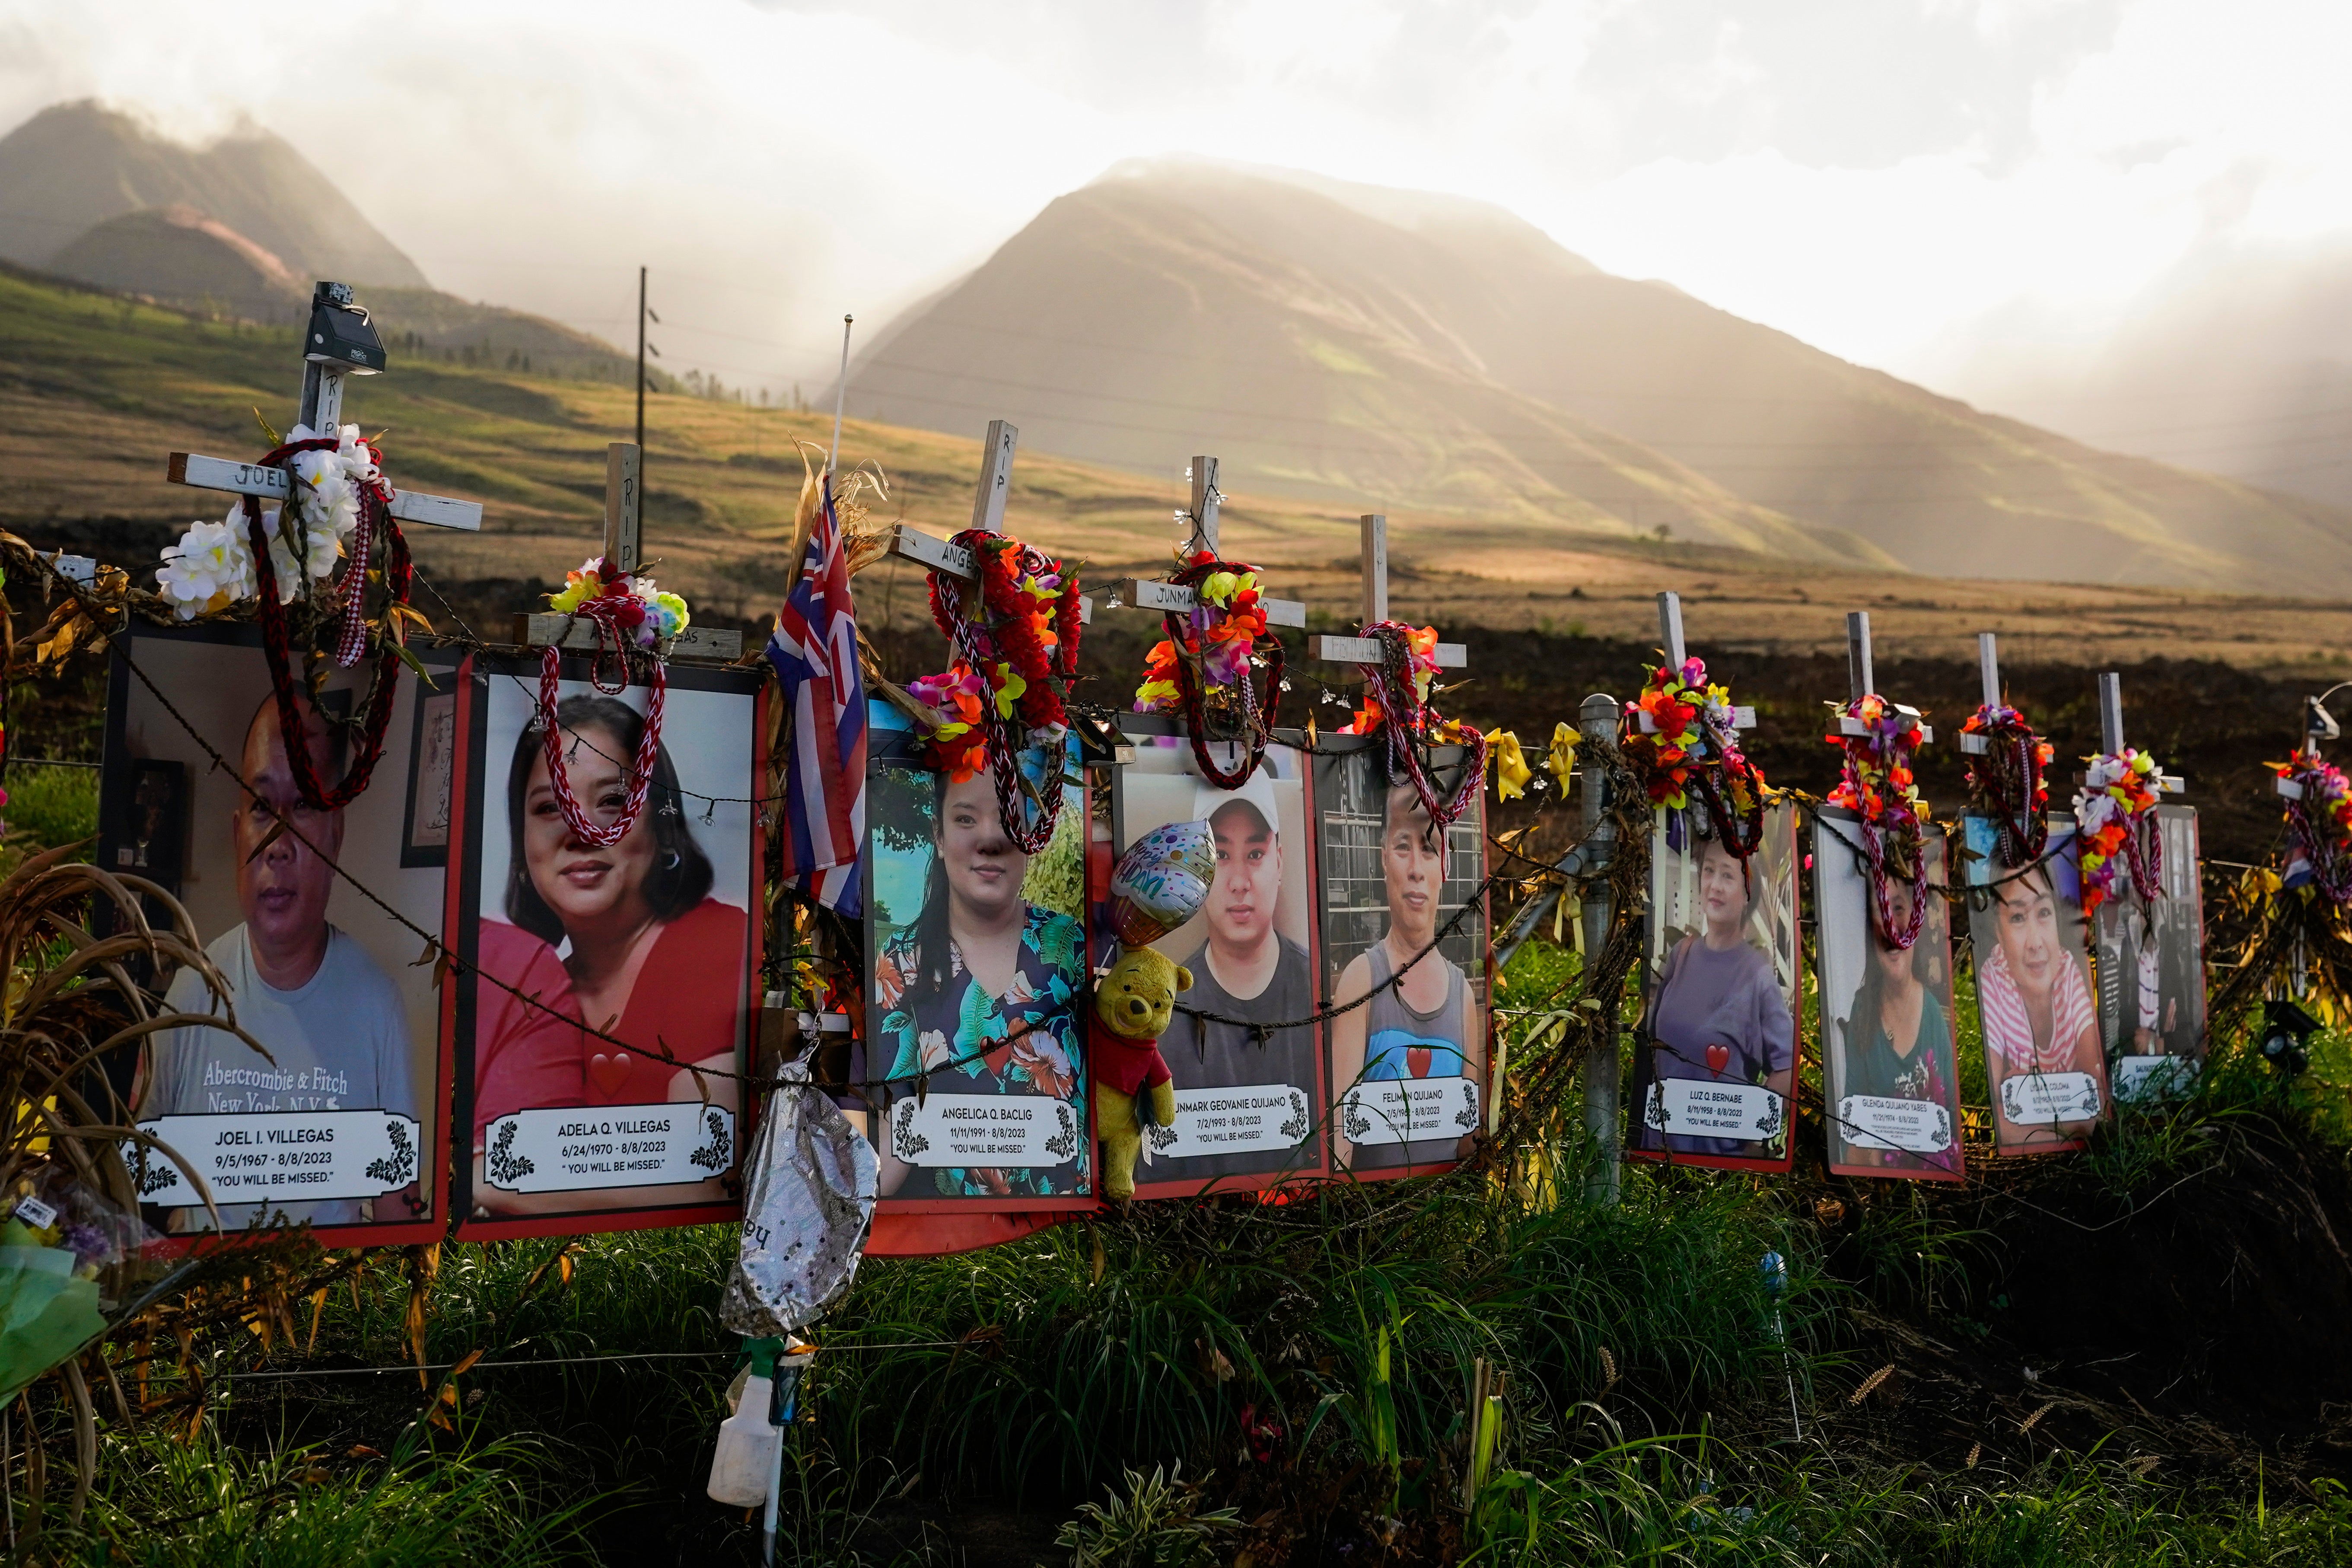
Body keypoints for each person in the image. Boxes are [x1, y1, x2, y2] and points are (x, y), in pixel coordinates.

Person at [139, 695, 415, 1229]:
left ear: (336, 837)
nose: (277, 844)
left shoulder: (375, 1004)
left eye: (305, 806)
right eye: (263, 807)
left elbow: (397, 1213)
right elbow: (139, 1194)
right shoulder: (192, 991)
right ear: (237, 829)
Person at [472, 693, 747, 1216]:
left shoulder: (712, 940)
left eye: (613, 802)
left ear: (662, 826)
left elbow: (710, 1177)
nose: (582, 830)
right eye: (551, 807)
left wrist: (497, 1184)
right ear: (522, 844)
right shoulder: (535, 984)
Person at [872, 769, 1085, 1199]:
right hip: (943, 1248)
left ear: (1031, 836)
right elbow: (890, 1124)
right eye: (966, 819)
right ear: (938, 833)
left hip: (1067, 1237)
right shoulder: (898, 962)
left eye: (1008, 820)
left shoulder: (1073, 947)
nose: (989, 840)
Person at [1158, 769, 1318, 1181]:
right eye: (1221, 854)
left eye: (1255, 854)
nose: (1240, 883)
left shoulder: (1321, 993)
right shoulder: (1164, 1014)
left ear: (1279, 861)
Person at [1329, 782, 1482, 1170]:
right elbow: (1340, 1136)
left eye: (1429, 849)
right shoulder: (1361, 979)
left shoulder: (1462, 992)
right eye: (1402, 847)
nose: (1415, 869)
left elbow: (1468, 1139)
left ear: (1444, 866)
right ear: (1384, 860)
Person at [1633, 828, 1795, 1159]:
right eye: (1709, 870)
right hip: (1658, 1154)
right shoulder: (1680, 955)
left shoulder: (1757, 976)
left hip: (1718, 1167)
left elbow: (1787, 1067)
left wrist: (1753, 1136)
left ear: (1748, 893)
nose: (1714, 885)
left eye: (1728, 876)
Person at [1837, 871, 1958, 1173]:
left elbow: (1952, 1125)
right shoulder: (1862, 1007)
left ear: (1917, 916)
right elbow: (1851, 1124)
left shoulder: (1934, 1014)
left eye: (1899, 908)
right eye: (1880, 910)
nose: (1891, 926)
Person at [1979, 861, 2103, 1141]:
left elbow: (2096, 1080)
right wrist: (2075, 1126)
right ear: (1999, 933)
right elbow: (1996, 1108)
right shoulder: (1995, 977)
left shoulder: (2067, 969)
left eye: (2044, 912)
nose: (2035, 942)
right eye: (2018, 918)